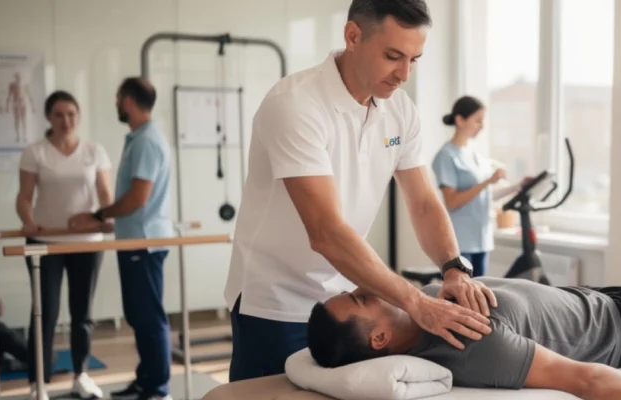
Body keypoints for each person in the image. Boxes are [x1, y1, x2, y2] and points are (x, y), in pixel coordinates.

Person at [223, 0, 496, 382]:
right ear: (353, 36)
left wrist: (454, 268)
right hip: (276, 302)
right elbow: (326, 232)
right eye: (393, 56)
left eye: (414, 60)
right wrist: (414, 301)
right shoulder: (295, 104)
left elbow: (422, 202)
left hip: (346, 300)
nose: (404, 74)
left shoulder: (400, 109)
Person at [307, 275, 621, 400]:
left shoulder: (423, 308)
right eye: (360, 299)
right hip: (619, 326)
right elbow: (582, 379)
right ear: (378, 340)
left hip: (589, 298)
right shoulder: (469, 344)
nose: (366, 288)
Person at [69, 77, 174, 400]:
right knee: (139, 315)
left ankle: (156, 389)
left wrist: (99, 215)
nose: (116, 104)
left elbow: (137, 198)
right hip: (135, 240)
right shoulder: (140, 138)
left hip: (143, 242)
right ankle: (146, 381)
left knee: (148, 317)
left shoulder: (146, 141)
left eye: (118, 99)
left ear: (128, 101)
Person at [16, 90, 112, 399]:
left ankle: (81, 374)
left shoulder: (94, 151)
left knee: (82, 313)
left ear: (78, 116)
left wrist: (107, 217)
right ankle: (38, 382)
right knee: (45, 312)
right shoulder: (35, 152)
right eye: (59, 114)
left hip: (87, 243)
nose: (65, 120)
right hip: (45, 242)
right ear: (48, 117)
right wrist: (28, 220)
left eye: (71, 114)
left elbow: (105, 193)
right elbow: (24, 197)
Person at [432, 96, 530, 277]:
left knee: (480, 289)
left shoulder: (477, 155)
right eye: (477, 120)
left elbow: (487, 194)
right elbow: (452, 202)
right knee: (464, 291)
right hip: (460, 241)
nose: (482, 126)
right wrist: (487, 182)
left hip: (482, 239)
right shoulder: (446, 156)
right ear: (460, 120)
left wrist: (519, 186)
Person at [5, 72, 35, 143]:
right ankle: (18, 136)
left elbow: (29, 96)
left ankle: (24, 136)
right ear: (15, 77)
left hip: (23, 103)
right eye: (17, 76)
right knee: (17, 120)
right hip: (16, 103)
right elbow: (9, 95)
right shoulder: (12, 85)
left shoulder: (25, 85)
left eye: (19, 76)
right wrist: (7, 106)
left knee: (23, 120)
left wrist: (33, 107)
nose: (18, 77)